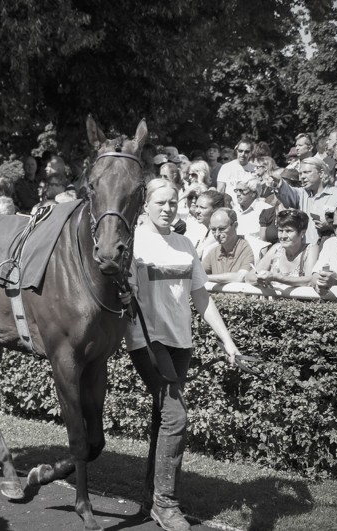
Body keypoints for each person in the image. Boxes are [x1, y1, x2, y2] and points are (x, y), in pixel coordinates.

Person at [121, 178, 241, 531]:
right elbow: (121, 292)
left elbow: (201, 296)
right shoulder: (133, 243)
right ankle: (166, 504)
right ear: (145, 205)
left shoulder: (185, 243)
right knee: (176, 416)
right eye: (160, 202)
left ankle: (150, 498)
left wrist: (227, 341)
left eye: (173, 202)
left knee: (163, 418)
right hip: (147, 339)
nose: (167, 208)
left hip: (181, 343)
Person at [270, 157, 337, 245]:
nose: (302, 177)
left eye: (307, 172)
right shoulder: (301, 194)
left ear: (321, 173)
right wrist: (278, 182)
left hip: (334, 249)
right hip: (307, 250)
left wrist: (331, 226)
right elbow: (286, 192)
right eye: (300, 173)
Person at [245, 209, 319, 288]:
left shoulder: (310, 249)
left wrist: (276, 278)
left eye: (288, 231)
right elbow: (249, 277)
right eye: (280, 230)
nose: (283, 236)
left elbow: (310, 281)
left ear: (302, 233)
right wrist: (259, 279)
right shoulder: (276, 249)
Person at [202, 208, 255, 283]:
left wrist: (204, 277)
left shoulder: (247, 247)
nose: (217, 234)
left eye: (222, 229)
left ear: (235, 225)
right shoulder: (213, 252)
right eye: (213, 229)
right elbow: (197, 273)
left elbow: (240, 277)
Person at [217, 139, 255, 206]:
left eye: (246, 152)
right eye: (240, 151)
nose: (243, 154)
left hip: (248, 207)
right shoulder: (226, 167)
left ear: (251, 153)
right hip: (229, 206)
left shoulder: (254, 169)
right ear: (236, 150)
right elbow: (220, 191)